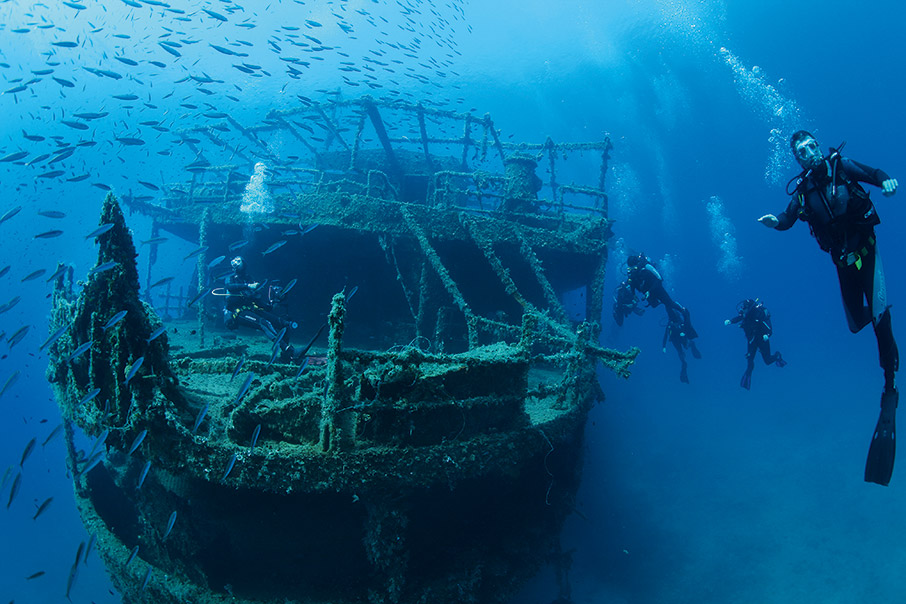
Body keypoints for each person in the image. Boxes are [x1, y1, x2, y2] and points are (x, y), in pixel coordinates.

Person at [758, 130, 899, 485]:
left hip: (866, 253)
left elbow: (875, 172)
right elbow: (788, 219)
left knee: (879, 317)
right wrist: (775, 223)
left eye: (810, 146)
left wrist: (887, 182)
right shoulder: (803, 191)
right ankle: (880, 316)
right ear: (797, 159)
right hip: (842, 262)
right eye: (801, 152)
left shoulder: (842, 166)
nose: (808, 153)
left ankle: (890, 384)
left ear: (818, 147)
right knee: (855, 323)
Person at [221, 256, 298, 362]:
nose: (235, 263)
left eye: (238, 261)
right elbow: (229, 287)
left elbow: (257, 300)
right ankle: (287, 349)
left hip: (252, 309)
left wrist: (273, 302)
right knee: (264, 323)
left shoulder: (249, 278)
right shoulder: (230, 278)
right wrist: (248, 286)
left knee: (285, 324)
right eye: (234, 260)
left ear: (244, 263)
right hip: (238, 312)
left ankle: (286, 356)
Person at [724, 298, 787, 390]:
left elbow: (769, 328)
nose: (742, 309)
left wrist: (767, 335)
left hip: (762, 340)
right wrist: (731, 321)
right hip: (752, 341)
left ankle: (777, 356)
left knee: (767, 361)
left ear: (749, 308)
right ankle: (747, 376)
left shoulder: (758, 315)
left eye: (744, 307)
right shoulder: (745, 314)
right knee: (749, 362)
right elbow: (739, 318)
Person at [663, 314, 701, 384]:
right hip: (674, 340)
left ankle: (692, 344)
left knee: (686, 346)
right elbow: (665, 334)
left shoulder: (680, 321)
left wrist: (685, 334)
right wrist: (664, 346)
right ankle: (683, 364)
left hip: (681, 337)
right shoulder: (669, 324)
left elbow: (688, 328)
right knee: (680, 352)